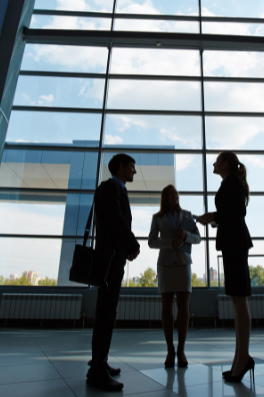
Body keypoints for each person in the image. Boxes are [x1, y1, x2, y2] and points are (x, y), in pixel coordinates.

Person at [196, 151, 254, 382]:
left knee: (239, 299)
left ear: (226, 163)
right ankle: (240, 357)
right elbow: (231, 213)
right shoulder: (230, 182)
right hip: (233, 242)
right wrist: (213, 218)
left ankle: (242, 358)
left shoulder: (233, 182)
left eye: (217, 160)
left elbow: (238, 212)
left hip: (235, 242)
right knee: (237, 299)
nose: (213, 163)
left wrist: (213, 215)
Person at [86, 153, 141, 392]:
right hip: (109, 260)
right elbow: (117, 221)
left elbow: (115, 224)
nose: (134, 172)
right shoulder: (110, 189)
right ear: (121, 167)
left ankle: (100, 361)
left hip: (112, 257)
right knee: (106, 312)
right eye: (132, 167)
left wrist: (125, 247)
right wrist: (133, 244)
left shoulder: (114, 189)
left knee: (107, 311)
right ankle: (96, 370)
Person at [148, 184, 201, 368]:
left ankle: (181, 350)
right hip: (166, 264)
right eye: (170, 194)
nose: (174, 196)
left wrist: (186, 236)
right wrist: (171, 242)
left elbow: (198, 238)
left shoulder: (187, 215)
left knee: (184, 308)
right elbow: (151, 242)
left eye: (176, 193)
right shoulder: (157, 217)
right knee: (167, 307)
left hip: (184, 263)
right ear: (165, 197)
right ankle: (170, 350)